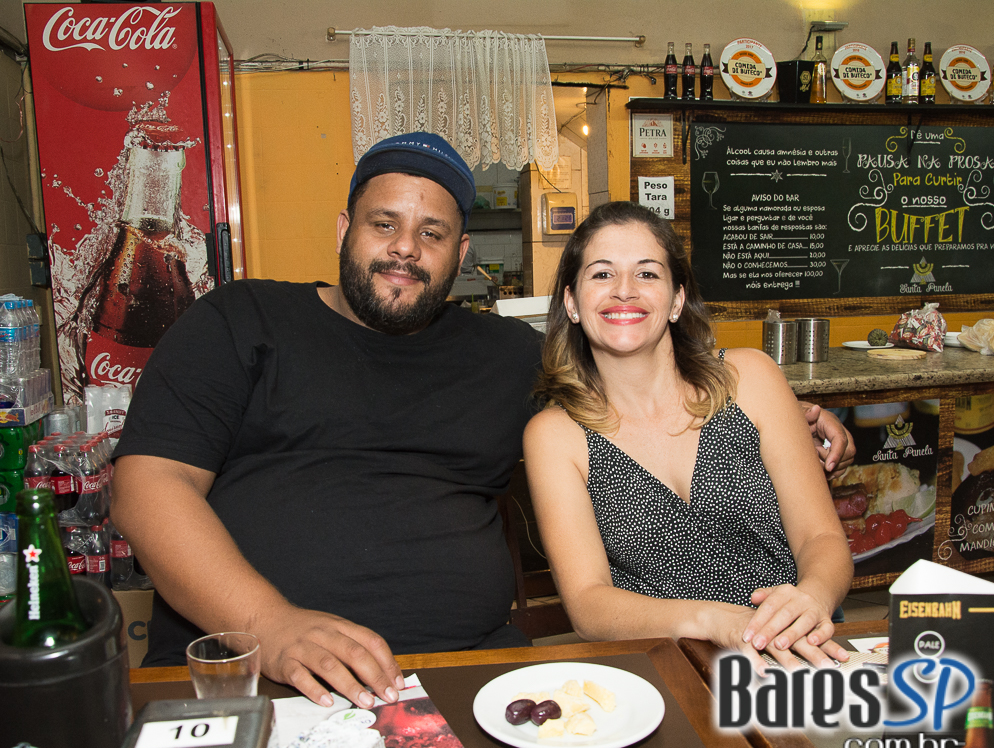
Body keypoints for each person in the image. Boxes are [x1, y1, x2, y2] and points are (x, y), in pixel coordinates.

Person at [111, 133, 854, 710]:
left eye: (433, 233)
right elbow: (148, 488)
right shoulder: (240, 320)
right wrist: (270, 624)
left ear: (460, 253)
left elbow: (622, 382)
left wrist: (782, 415)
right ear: (343, 228)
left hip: (469, 669)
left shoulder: (506, 355)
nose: (406, 247)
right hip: (254, 671)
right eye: (384, 223)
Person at [523, 201, 854, 669]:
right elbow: (588, 605)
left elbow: (821, 536)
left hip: (793, 644)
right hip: (666, 664)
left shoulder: (750, 379)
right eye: (601, 274)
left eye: (647, 274)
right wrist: (715, 620)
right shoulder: (555, 435)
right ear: (572, 303)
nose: (624, 290)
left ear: (677, 300)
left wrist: (814, 596)